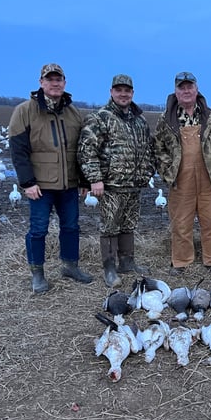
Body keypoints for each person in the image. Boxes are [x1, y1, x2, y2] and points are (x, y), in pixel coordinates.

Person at [8, 63, 93, 294]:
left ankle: (70, 266)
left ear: (64, 83)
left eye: (59, 79)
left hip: (68, 184)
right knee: (38, 230)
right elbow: (18, 150)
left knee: (71, 227)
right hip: (40, 186)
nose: (55, 83)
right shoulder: (25, 110)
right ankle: (37, 274)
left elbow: (82, 150)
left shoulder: (73, 112)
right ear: (41, 82)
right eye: (50, 79)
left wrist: (84, 180)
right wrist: (27, 182)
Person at [78, 74, 154, 288]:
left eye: (127, 90)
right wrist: (94, 179)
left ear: (132, 93)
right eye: (119, 90)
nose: (123, 94)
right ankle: (109, 268)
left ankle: (127, 262)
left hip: (133, 185)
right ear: (111, 92)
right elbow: (86, 151)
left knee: (129, 224)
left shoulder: (139, 120)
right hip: (110, 185)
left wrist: (146, 174)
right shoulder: (100, 118)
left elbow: (148, 150)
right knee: (110, 226)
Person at [153, 71, 211, 276]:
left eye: (189, 87)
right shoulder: (166, 119)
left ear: (196, 89)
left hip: (208, 177)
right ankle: (181, 260)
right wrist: (168, 172)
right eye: (181, 87)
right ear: (175, 91)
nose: (186, 91)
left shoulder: (210, 116)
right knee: (181, 222)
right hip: (180, 178)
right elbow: (158, 149)